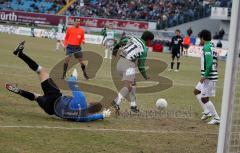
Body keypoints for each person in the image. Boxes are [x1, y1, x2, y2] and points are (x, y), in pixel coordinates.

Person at [5, 41, 111, 122]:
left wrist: (74, 76)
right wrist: (102, 115)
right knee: (35, 96)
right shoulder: (83, 117)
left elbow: (71, 83)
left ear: (89, 104)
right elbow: (90, 118)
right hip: (51, 110)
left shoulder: (82, 99)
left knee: (41, 71)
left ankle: (19, 53)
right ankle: (19, 91)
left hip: (55, 96)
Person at [111, 31, 154, 113]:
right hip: (128, 64)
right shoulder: (144, 48)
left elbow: (120, 42)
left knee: (133, 85)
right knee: (129, 86)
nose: (151, 42)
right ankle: (116, 101)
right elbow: (141, 66)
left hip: (120, 62)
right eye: (151, 41)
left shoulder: (132, 38)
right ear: (148, 40)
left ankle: (133, 106)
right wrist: (145, 76)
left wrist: (114, 51)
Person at [193, 30, 220, 125]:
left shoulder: (207, 47)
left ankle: (216, 118)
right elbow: (216, 61)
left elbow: (209, 63)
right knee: (196, 91)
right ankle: (207, 111)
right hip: (210, 75)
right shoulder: (212, 47)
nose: (199, 40)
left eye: (199, 38)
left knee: (205, 99)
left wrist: (205, 76)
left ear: (203, 38)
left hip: (208, 77)